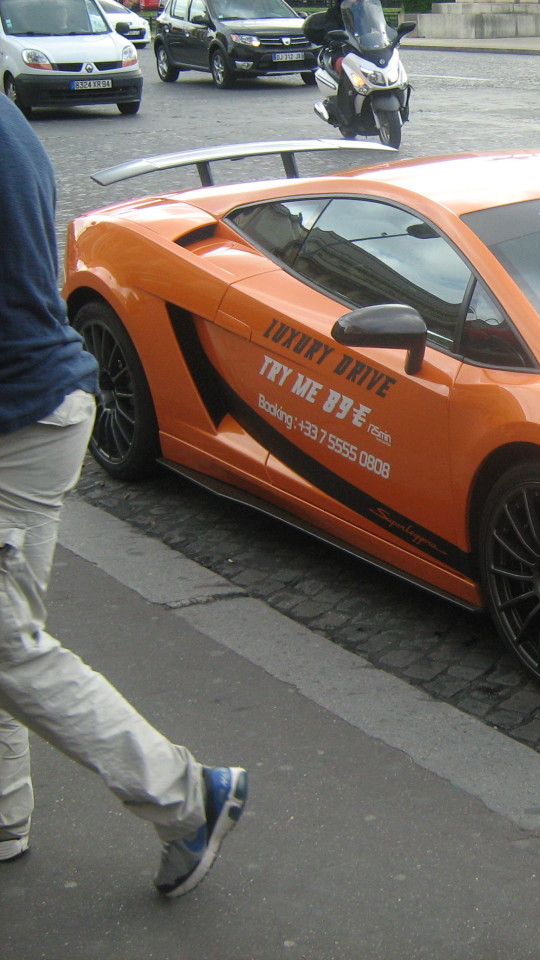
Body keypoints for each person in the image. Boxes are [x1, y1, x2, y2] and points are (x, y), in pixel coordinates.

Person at [0, 93, 247, 898]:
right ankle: (4, 814)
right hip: (31, 410)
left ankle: (186, 798)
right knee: (10, 634)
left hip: (20, 420)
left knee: (6, 643)